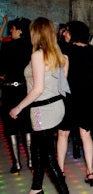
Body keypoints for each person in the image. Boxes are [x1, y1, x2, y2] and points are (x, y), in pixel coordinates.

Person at [9, 17, 70, 194]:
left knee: (48, 157)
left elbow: (38, 89)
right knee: (37, 148)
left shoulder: (37, 55)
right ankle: (36, 188)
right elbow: (62, 83)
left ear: (36, 33)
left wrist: (18, 108)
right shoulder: (59, 54)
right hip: (57, 106)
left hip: (42, 110)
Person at [57, 21, 93, 187]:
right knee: (86, 135)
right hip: (87, 97)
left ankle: (60, 171)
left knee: (63, 134)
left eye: (67, 31)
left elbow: (63, 74)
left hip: (70, 97)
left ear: (73, 33)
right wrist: (86, 78)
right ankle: (90, 171)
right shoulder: (92, 50)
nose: (64, 34)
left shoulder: (66, 49)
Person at [0, 17, 33, 174]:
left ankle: (17, 163)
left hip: (9, 90)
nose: (11, 32)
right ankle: (32, 160)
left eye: (12, 29)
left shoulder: (7, 47)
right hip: (24, 90)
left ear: (19, 30)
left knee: (10, 127)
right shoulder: (31, 47)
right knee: (27, 124)